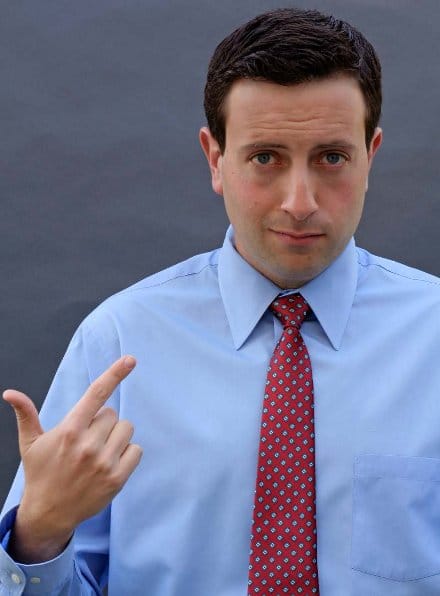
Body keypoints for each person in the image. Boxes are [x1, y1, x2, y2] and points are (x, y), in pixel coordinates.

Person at [1, 6, 440, 596]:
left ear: (371, 156)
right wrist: (40, 532)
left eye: (331, 157)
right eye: (266, 158)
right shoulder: (120, 341)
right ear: (215, 159)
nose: (300, 201)